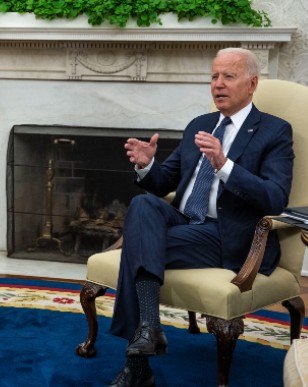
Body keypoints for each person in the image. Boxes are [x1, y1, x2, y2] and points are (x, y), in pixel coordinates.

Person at [109, 47, 294, 386]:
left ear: (252, 83)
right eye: (213, 76)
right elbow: (165, 181)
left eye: (228, 76)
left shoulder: (274, 131)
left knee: (136, 246)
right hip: (185, 223)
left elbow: (275, 197)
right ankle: (150, 327)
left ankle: (137, 368)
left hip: (228, 235)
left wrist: (225, 165)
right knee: (143, 206)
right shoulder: (200, 124)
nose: (218, 85)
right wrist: (147, 164)